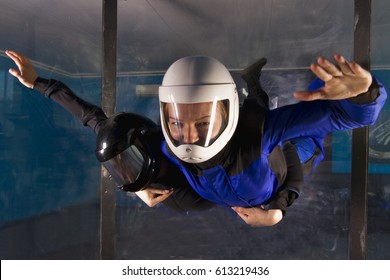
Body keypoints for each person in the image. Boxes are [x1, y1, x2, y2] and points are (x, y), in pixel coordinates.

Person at [158, 54, 387, 226]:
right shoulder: (169, 148)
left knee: (311, 142)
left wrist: (363, 95)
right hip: (251, 179)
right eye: (177, 123)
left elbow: (345, 116)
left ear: (228, 113)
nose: (190, 139)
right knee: (257, 114)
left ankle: (273, 87)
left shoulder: (260, 134)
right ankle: (253, 84)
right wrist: (141, 184)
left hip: (282, 158)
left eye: (203, 123)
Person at [4, 50, 214, 211]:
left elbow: (84, 112)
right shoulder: (185, 195)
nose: (125, 172)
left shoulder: (122, 139)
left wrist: (37, 83)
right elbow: (227, 189)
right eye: (123, 169)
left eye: (126, 163)